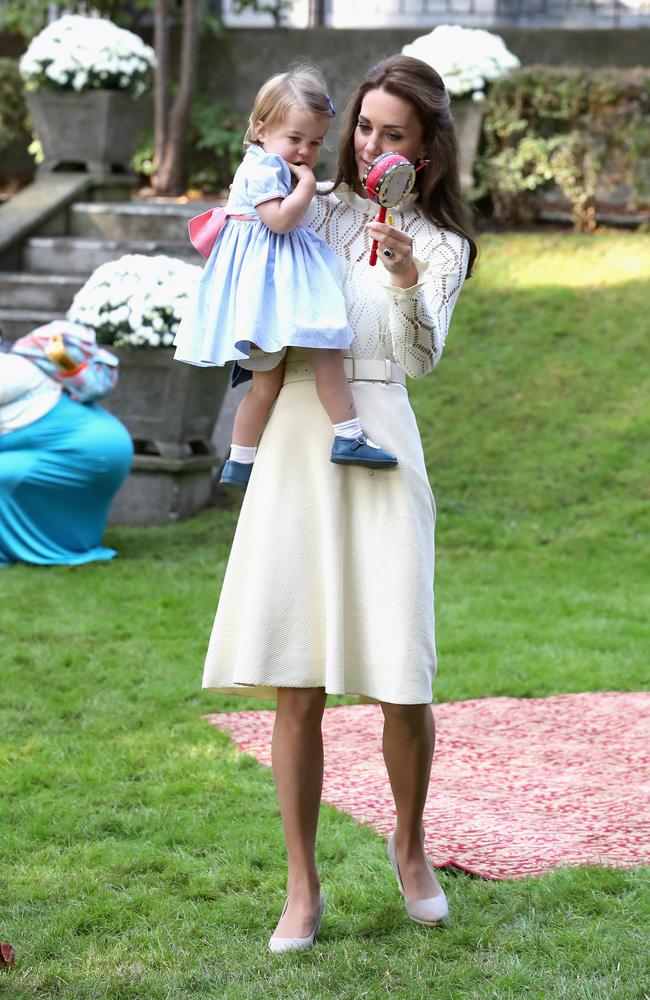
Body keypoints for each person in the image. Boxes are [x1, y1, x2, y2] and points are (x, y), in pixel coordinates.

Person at [201, 54, 477, 951]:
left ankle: (410, 847)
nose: (369, 146)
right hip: (293, 435)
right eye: (364, 127)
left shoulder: (442, 245)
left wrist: (400, 269)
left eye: (391, 135)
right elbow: (252, 249)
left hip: (380, 429)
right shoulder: (312, 200)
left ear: (427, 150)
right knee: (295, 677)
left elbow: (421, 358)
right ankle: (301, 884)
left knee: (402, 676)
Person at [173, 65, 397, 489]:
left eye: (314, 143)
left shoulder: (269, 165)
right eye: (294, 139)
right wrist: (307, 186)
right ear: (260, 129)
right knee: (317, 356)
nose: (304, 152)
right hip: (271, 292)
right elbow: (278, 221)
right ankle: (343, 437)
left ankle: (242, 461)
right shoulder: (262, 169)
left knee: (273, 379)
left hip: (270, 288)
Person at [0, 324, 133, 568]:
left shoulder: (11, 370)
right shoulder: (19, 366)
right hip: (99, 451)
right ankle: (59, 543)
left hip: (86, 453)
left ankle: (45, 547)